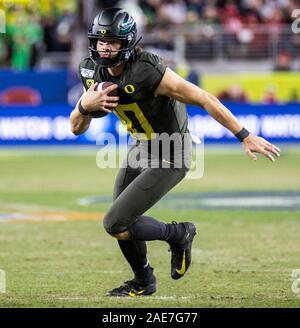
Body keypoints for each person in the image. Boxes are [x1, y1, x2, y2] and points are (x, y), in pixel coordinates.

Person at [70, 8, 281, 297]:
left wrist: (243, 134)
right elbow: (76, 128)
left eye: (113, 42)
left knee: (115, 222)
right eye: (101, 41)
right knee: (121, 223)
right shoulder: (90, 72)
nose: (105, 48)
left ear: (128, 42)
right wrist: (84, 107)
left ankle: (179, 234)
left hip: (171, 150)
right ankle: (144, 281)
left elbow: (204, 98)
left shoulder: (148, 71)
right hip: (140, 148)